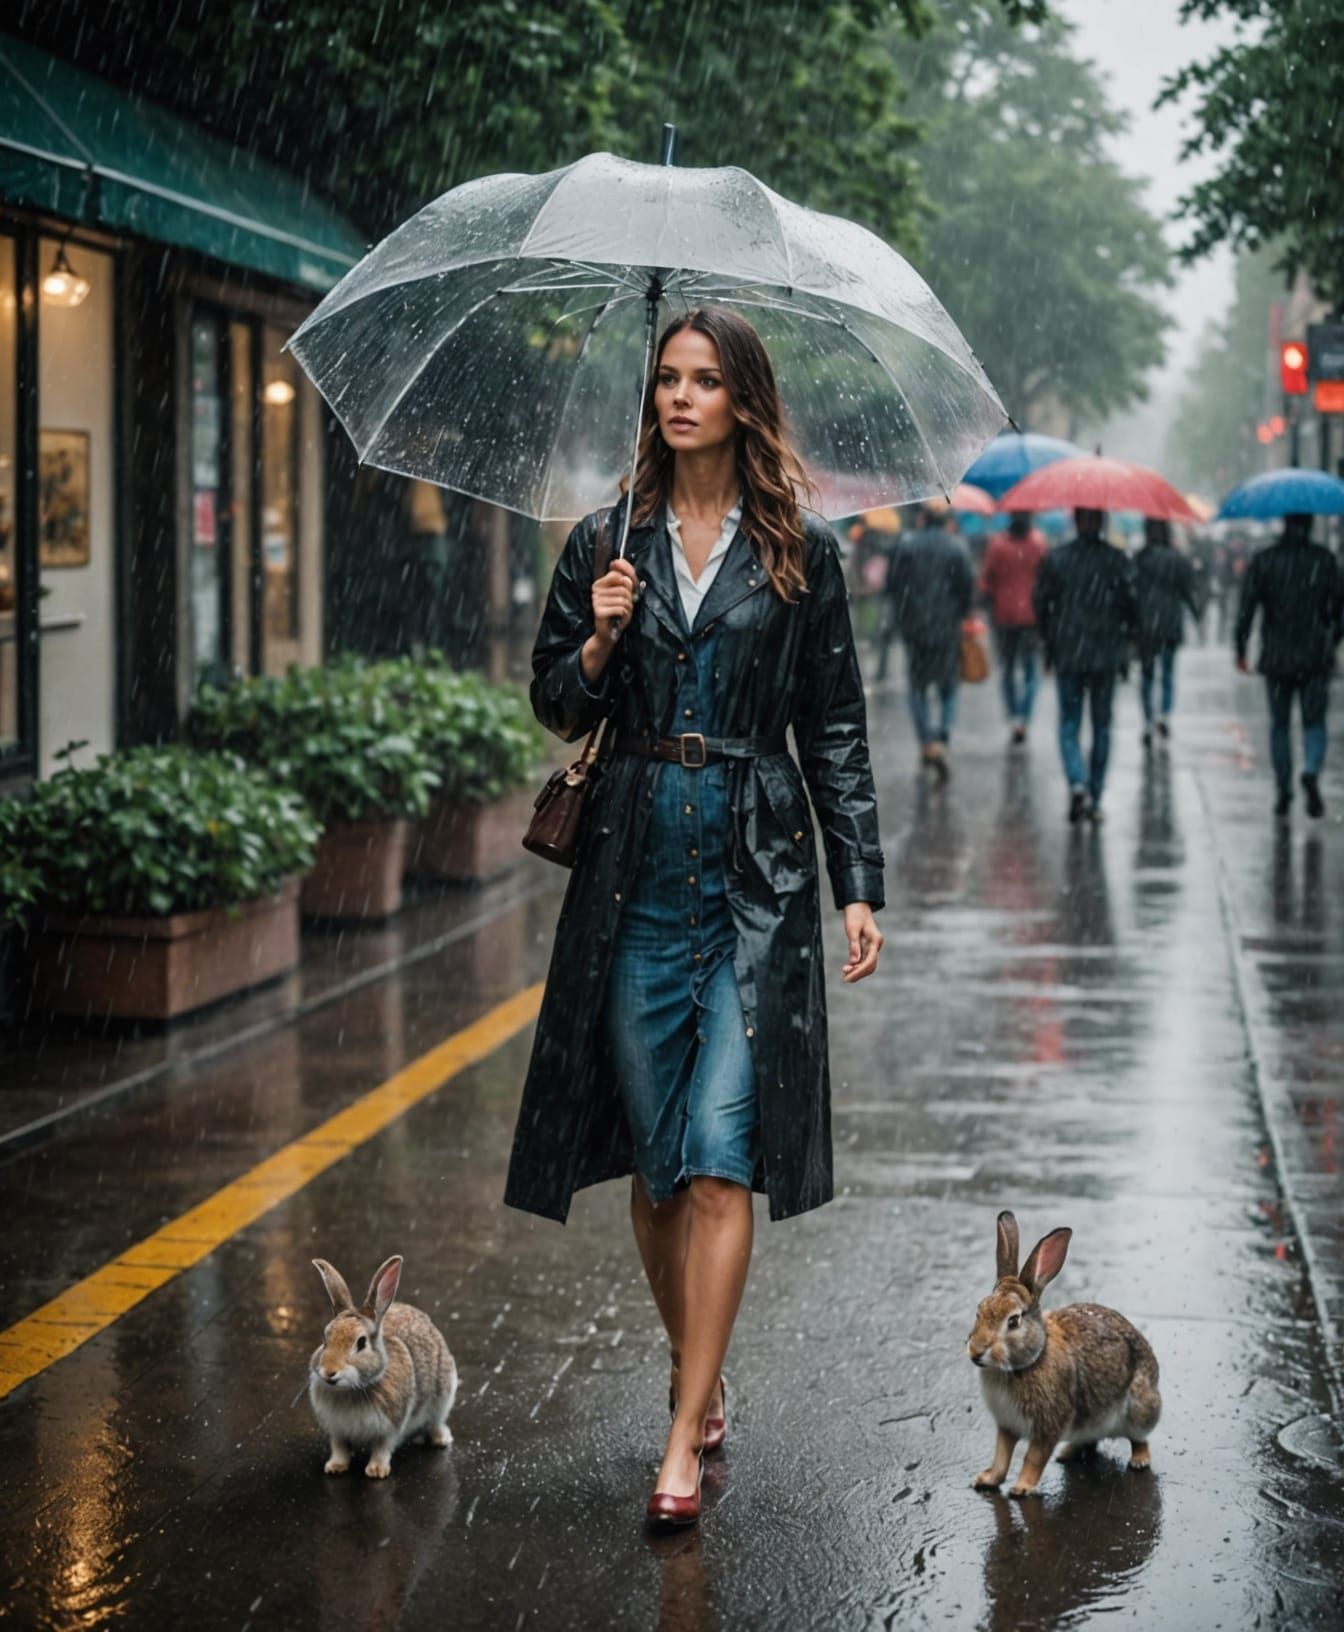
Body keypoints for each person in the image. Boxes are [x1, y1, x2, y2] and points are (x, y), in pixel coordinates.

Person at [504, 307, 885, 1527]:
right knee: (660, 1171)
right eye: (667, 379)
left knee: (724, 1156)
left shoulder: (802, 552)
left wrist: (856, 879)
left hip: (754, 874)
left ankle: (684, 1426)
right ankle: (702, 1369)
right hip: (631, 870)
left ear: (743, 400)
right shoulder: (603, 542)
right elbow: (557, 704)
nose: (680, 397)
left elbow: (832, 724)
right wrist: (605, 638)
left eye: (705, 380)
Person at [1234, 512, 1344, 819]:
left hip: (1277, 657)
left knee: (1280, 726)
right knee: (1314, 723)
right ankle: (1310, 769)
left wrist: (1240, 646)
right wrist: (1331, 639)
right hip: (1315, 657)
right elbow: (1339, 608)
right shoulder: (1324, 560)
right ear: (1309, 524)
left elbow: (1247, 607)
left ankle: (1284, 790)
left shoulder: (1265, 560)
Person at [1033, 507, 1138, 824]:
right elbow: (1131, 609)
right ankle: (1096, 797)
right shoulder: (1117, 560)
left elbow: (1042, 608)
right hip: (1105, 656)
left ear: (1075, 521)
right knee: (1102, 726)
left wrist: (1050, 648)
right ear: (1103, 521)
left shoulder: (1057, 559)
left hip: (1069, 654)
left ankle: (1077, 782)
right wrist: (1125, 649)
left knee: (1069, 725)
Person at [886, 503, 974, 778]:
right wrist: (960, 614)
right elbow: (967, 586)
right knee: (948, 685)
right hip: (947, 627)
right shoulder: (956, 546)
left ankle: (925, 741)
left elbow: (893, 585)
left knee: (918, 686)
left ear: (923, 519)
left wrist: (904, 616)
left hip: (915, 628)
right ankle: (942, 736)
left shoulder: (906, 545)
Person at [979, 511, 1048, 744]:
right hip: (1031, 618)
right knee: (1030, 669)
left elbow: (986, 580)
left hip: (1005, 618)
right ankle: (1023, 718)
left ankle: (1012, 715)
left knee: (1008, 669)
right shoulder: (1038, 545)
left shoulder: (997, 546)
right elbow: (1047, 579)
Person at [1134, 518, 1203, 748]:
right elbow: (1188, 590)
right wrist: (1196, 614)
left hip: (1145, 625)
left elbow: (1129, 590)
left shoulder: (1140, 558)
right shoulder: (1177, 559)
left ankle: (1148, 719)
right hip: (1170, 623)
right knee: (1167, 673)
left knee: (1147, 675)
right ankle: (1164, 713)